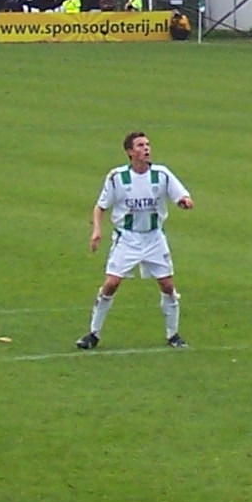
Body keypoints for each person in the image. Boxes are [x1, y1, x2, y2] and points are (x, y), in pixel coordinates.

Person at [79, 131, 191, 348]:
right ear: (130, 152)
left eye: (147, 144)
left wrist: (184, 201)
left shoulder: (162, 174)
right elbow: (101, 206)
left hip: (154, 237)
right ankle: (93, 334)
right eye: (140, 145)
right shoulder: (117, 178)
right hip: (127, 238)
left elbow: (180, 195)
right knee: (111, 283)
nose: (146, 149)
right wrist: (97, 231)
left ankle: (173, 335)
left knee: (167, 285)